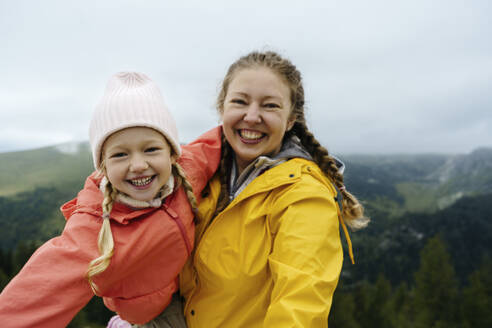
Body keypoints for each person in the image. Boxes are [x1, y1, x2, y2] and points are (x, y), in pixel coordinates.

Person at [0, 72, 221, 327]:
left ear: (172, 154)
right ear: (103, 166)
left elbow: (216, 142)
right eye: (120, 155)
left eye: (151, 149)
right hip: (157, 317)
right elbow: (42, 288)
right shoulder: (96, 228)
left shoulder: (187, 170)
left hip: (188, 288)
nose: (138, 165)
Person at [178, 50, 369, 327]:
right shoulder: (200, 173)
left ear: (291, 119)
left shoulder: (305, 196)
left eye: (270, 106)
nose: (252, 116)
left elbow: (300, 306)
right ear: (222, 108)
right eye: (240, 101)